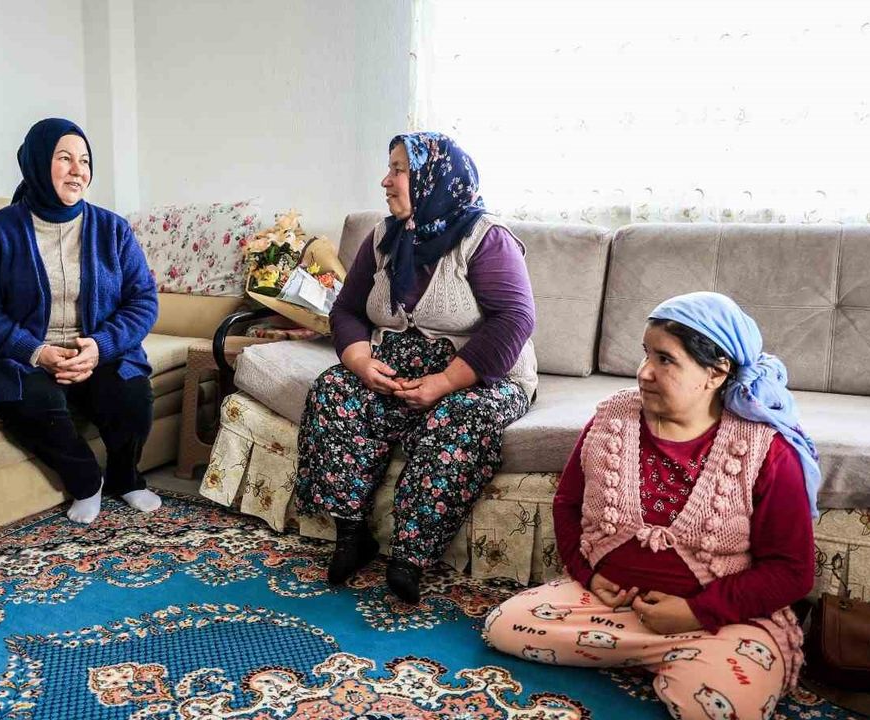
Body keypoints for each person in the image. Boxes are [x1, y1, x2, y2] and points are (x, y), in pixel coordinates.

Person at [484, 291, 819, 720]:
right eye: (646, 354)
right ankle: (660, 654)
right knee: (504, 625)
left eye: (665, 359)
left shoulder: (765, 450)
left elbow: (791, 571)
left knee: (719, 711)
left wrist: (696, 612)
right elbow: (567, 504)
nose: (644, 372)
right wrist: (589, 575)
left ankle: (676, 654)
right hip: (613, 608)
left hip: (718, 623)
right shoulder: (612, 419)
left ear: (716, 373)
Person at [295, 132, 538, 603]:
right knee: (333, 389)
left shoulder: (485, 238)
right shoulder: (384, 237)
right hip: (393, 368)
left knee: (460, 419)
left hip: (478, 376)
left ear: (434, 178)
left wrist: (445, 382)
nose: (385, 181)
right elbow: (347, 310)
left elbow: (514, 320)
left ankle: (410, 557)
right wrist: (360, 361)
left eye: (399, 170)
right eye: (390, 169)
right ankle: (351, 535)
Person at [0, 118, 160, 525]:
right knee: (34, 403)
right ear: (36, 163)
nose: (77, 170)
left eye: (84, 161)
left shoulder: (113, 229)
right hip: (24, 358)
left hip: (96, 350)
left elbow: (142, 300)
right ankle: (87, 482)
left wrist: (100, 346)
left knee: (132, 396)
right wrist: (36, 351)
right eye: (64, 158)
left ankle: (126, 477)